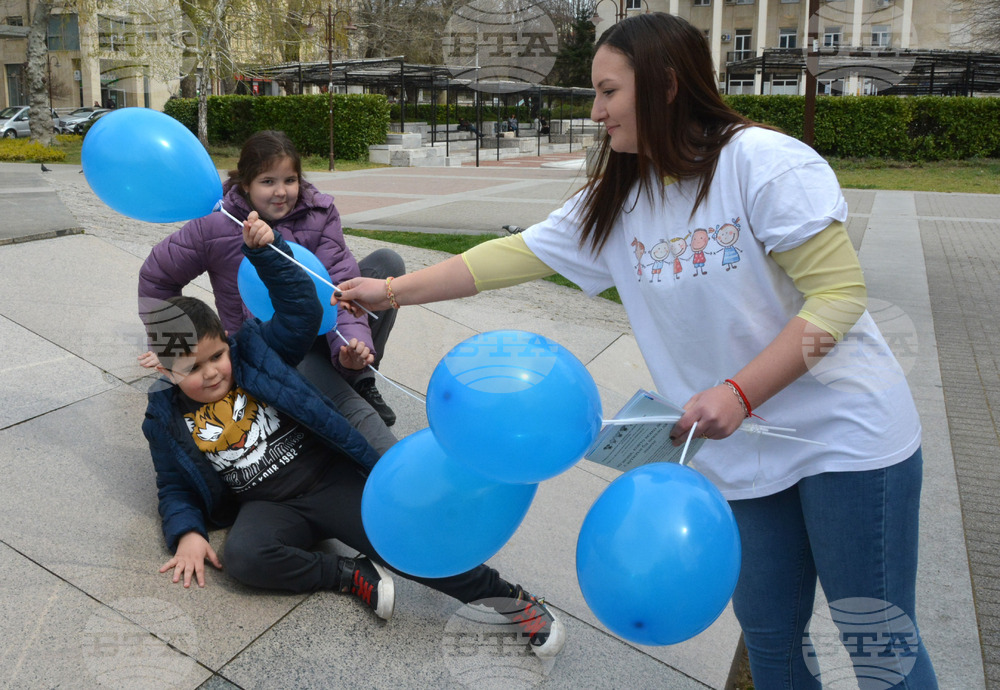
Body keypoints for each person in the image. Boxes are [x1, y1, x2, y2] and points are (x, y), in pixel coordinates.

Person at [334, 13, 937, 688]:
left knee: (876, 641)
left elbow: (837, 300)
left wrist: (740, 392)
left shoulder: (762, 164)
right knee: (771, 639)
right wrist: (389, 290)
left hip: (844, 437)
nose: (595, 112)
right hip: (739, 453)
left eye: (608, 92)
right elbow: (511, 256)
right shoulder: (621, 197)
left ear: (667, 86)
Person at [142, 215, 565, 658]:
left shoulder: (256, 354)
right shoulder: (164, 418)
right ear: (166, 372)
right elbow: (173, 484)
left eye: (216, 356)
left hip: (329, 481)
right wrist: (187, 532)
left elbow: (302, 309)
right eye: (192, 368)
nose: (211, 372)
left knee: (407, 541)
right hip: (268, 505)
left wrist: (266, 255)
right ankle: (350, 574)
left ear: (227, 342)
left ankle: (508, 599)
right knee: (245, 558)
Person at [138, 130, 399, 457]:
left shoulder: (319, 213)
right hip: (272, 343)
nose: (281, 192)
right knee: (349, 410)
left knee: (386, 266)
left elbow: (342, 280)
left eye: (290, 180)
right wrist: (169, 342)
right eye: (267, 181)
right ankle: (394, 463)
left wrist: (349, 348)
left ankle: (358, 378)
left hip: (325, 325)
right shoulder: (216, 224)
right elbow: (156, 275)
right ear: (245, 184)